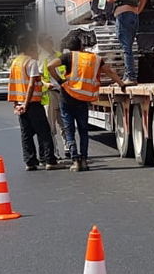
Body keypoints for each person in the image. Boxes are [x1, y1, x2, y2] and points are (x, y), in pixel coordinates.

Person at [46, 30, 129, 172]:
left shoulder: (68, 56)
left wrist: (61, 81)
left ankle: (75, 160)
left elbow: (50, 66)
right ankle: (84, 160)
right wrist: (121, 84)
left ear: (69, 48)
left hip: (67, 97)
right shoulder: (94, 58)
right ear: (82, 47)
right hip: (83, 99)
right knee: (83, 130)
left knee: (69, 129)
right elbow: (109, 71)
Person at [7, 38, 63, 171]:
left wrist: (17, 104)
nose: (38, 53)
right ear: (29, 49)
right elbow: (31, 84)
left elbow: (14, 84)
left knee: (26, 134)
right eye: (35, 50)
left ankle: (30, 162)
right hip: (31, 103)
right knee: (44, 132)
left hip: (20, 103)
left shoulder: (15, 63)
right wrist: (26, 104)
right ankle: (50, 160)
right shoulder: (31, 62)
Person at [104, 0, 146, 83]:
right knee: (129, 47)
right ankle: (128, 76)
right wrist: (137, 11)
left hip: (123, 17)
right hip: (133, 16)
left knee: (126, 48)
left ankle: (130, 77)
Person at [37, 34, 65, 154]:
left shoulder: (59, 55)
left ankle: (68, 147)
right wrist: (45, 84)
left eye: (51, 40)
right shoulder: (40, 58)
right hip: (49, 94)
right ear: (42, 44)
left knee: (64, 122)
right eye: (48, 41)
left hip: (62, 92)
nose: (51, 42)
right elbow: (38, 77)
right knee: (51, 126)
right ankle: (54, 151)